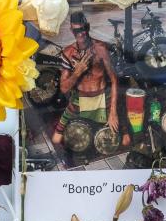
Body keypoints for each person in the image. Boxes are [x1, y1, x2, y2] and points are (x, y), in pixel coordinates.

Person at [51, 11, 121, 146]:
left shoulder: (100, 48)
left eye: (83, 29)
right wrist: (77, 72)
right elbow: (64, 88)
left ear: (87, 27)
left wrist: (113, 111)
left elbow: (114, 80)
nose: (81, 33)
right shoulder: (68, 53)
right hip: (78, 101)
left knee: (120, 140)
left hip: (102, 100)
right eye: (77, 30)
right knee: (56, 139)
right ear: (72, 31)